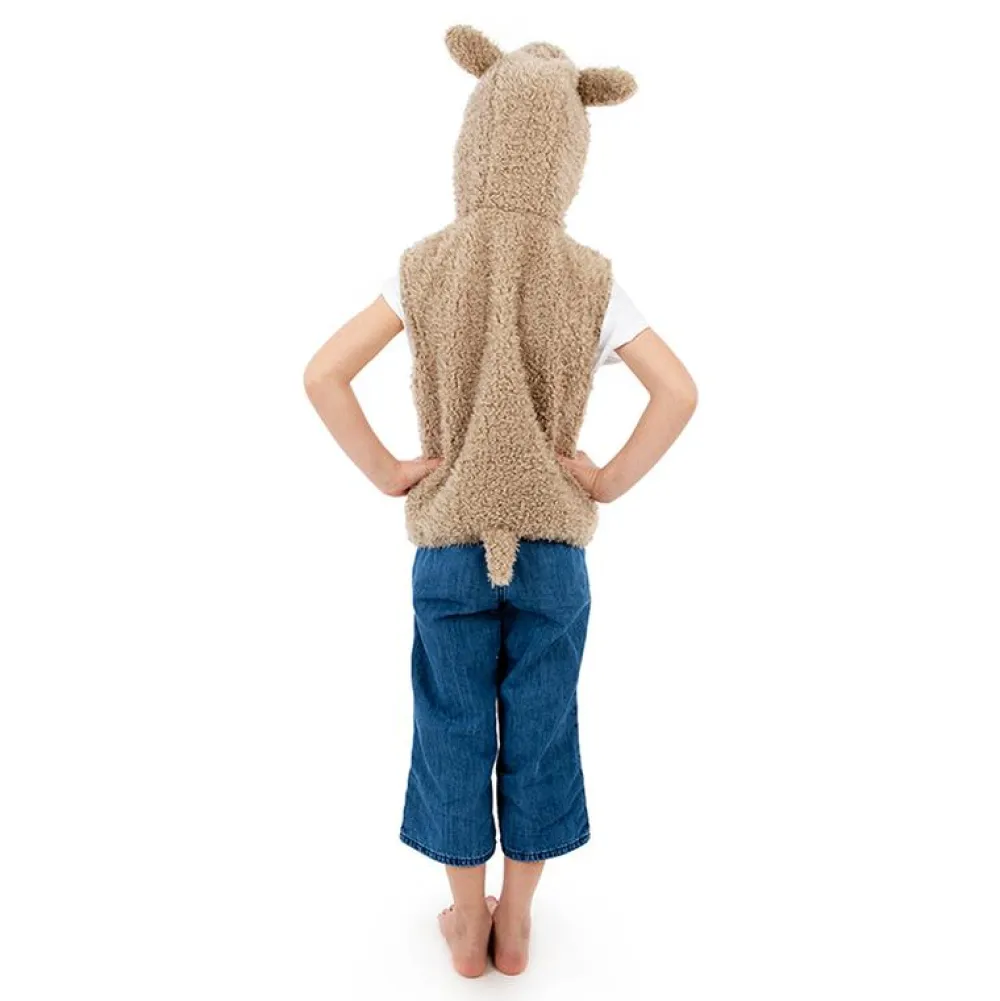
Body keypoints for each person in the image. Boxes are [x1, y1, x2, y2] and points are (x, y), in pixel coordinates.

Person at [304, 25, 697, 978]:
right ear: (567, 152)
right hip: (554, 549)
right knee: (543, 724)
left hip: (450, 542)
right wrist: (602, 480)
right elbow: (678, 393)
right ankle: (517, 922)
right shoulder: (590, 277)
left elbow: (323, 374)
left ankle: (464, 921)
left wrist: (388, 469)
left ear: (474, 135)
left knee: (451, 723)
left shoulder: (426, 265)